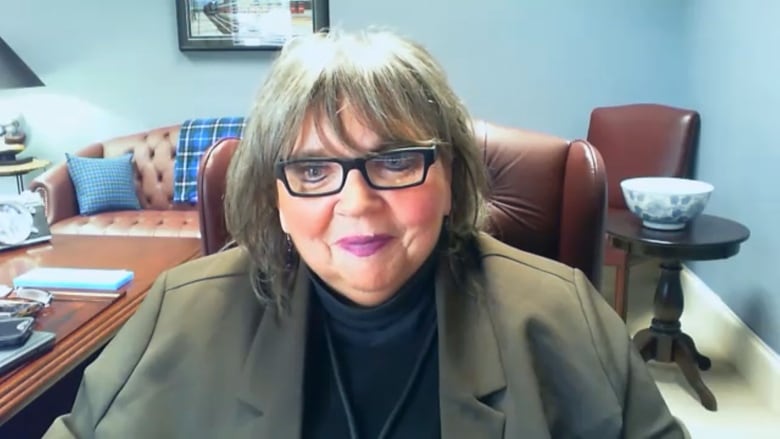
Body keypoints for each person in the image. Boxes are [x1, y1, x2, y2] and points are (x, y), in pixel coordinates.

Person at [44, 28, 684, 438]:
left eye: (396, 160)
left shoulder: (566, 315)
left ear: (450, 177)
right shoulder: (178, 312)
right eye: (314, 168)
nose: (356, 203)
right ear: (274, 194)